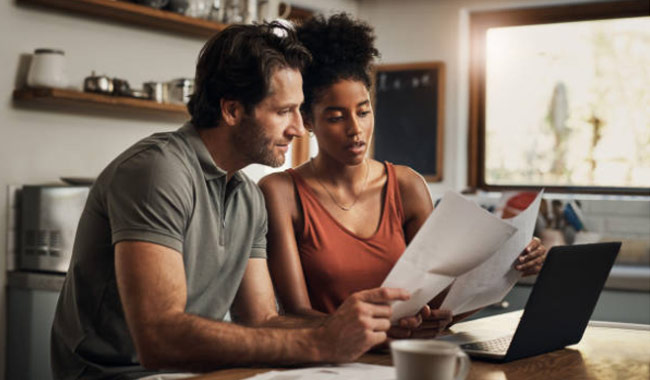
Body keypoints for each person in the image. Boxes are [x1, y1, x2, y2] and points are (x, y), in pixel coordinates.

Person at [51, 22, 413, 380]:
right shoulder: (157, 171)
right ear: (232, 110)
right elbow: (159, 338)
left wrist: (365, 330)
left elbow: (263, 320)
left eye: (298, 111)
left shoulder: (248, 197)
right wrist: (320, 343)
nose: (299, 129)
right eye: (283, 111)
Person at [259, 14, 547, 339]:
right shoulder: (280, 192)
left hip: (404, 361)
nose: (356, 129)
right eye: (336, 117)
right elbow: (296, 313)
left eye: (364, 111)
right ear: (307, 121)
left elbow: (440, 302)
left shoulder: (406, 186)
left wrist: (510, 268)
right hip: (328, 365)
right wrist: (380, 331)